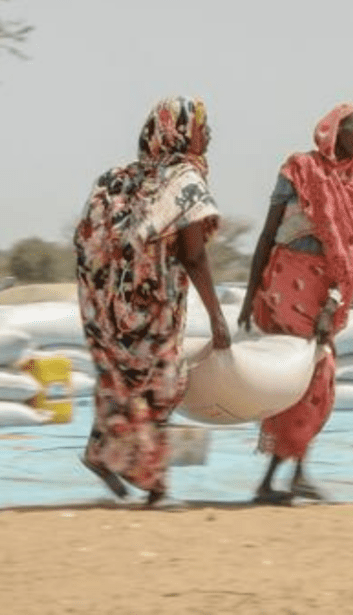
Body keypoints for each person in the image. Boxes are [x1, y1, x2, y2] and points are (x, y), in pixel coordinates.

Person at [75, 96, 231, 506]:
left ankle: (103, 454)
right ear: (180, 132)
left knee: (125, 382)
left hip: (114, 306)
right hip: (155, 306)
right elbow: (194, 257)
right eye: (201, 126)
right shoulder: (183, 181)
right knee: (163, 385)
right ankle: (156, 486)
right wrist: (217, 317)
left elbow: (89, 240)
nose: (209, 133)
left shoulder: (122, 178)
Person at [238, 102, 353, 504]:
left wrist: (332, 303)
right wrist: (249, 297)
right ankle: (282, 476)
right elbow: (267, 235)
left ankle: (286, 475)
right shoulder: (299, 169)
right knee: (310, 371)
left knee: (314, 379)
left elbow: (350, 256)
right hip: (287, 281)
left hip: (323, 289)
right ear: (334, 128)